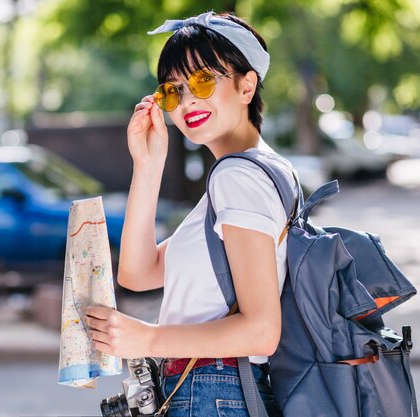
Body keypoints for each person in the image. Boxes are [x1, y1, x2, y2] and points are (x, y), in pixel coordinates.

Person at [85, 10, 296, 416]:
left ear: (246, 85)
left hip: (213, 391)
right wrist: (148, 166)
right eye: (173, 90)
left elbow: (262, 331)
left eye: (203, 80)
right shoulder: (250, 173)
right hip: (209, 389)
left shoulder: (237, 178)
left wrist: (145, 340)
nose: (188, 101)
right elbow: (138, 272)